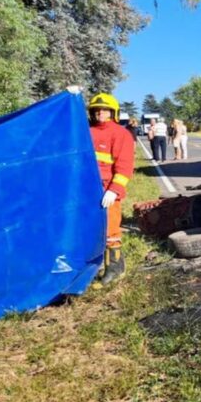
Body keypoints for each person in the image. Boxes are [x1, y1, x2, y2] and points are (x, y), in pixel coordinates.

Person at [87, 92, 134, 284]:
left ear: (113, 112)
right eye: (96, 110)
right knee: (90, 230)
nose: (100, 113)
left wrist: (114, 190)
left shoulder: (120, 134)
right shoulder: (86, 132)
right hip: (87, 189)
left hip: (108, 190)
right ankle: (91, 269)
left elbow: (124, 166)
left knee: (111, 230)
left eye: (105, 110)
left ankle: (115, 268)